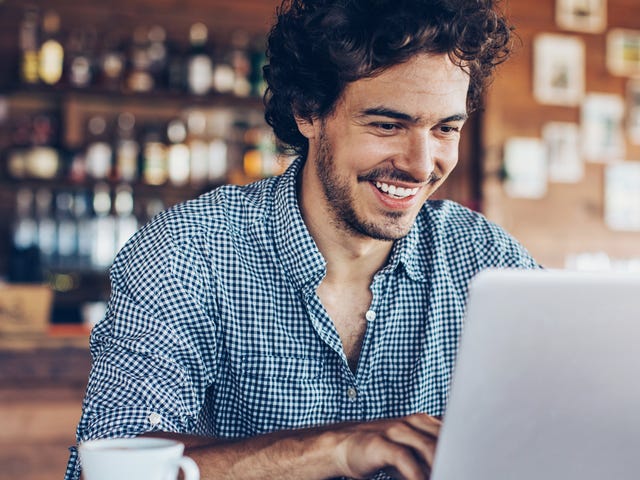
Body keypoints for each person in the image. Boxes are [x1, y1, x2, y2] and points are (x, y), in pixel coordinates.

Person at [66, 0, 539, 479]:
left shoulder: (486, 259)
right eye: (387, 124)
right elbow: (110, 468)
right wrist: (337, 448)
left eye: (445, 128)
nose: (420, 164)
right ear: (308, 112)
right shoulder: (189, 250)